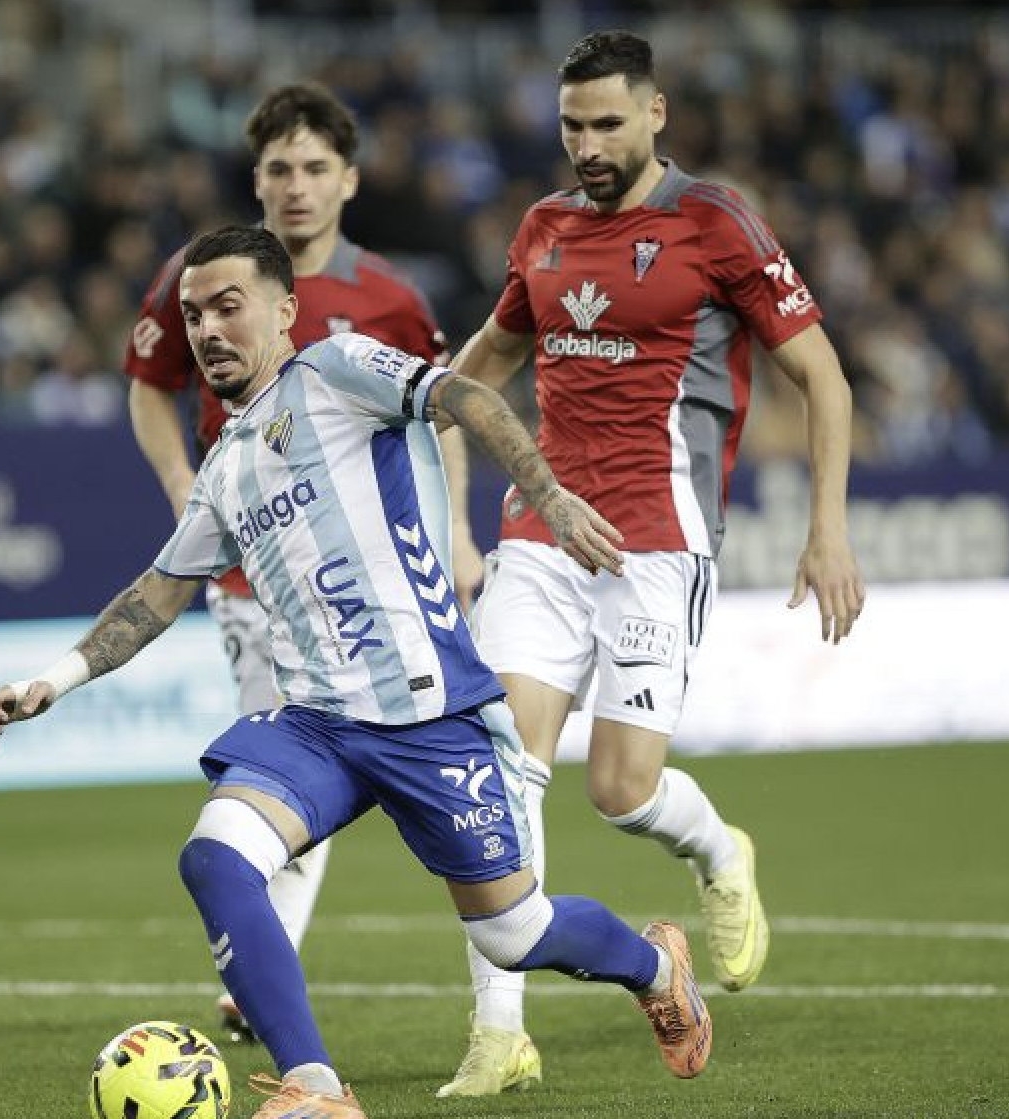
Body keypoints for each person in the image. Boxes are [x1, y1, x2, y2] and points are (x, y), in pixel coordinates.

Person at [0, 226, 711, 1119]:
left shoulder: (338, 369)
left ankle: (653, 964)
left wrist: (548, 495)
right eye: (193, 313)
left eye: (227, 305)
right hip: (318, 723)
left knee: (516, 932)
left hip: (430, 714)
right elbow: (155, 596)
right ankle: (316, 1089)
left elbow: (467, 394)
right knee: (215, 856)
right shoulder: (224, 469)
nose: (207, 328)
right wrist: (49, 680)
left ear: (285, 309)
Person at [435, 30, 867, 1097]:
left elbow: (823, 377)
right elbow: (472, 374)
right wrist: (447, 486)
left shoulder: (712, 224)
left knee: (619, 792)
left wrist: (827, 527)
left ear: (655, 113)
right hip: (540, 538)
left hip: (656, 543)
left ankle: (720, 856)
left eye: (606, 123)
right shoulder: (538, 232)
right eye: (570, 125)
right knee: (496, 779)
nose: (585, 143)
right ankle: (499, 1034)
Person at [123, 81, 479, 1043]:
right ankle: (269, 968)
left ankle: (263, 972)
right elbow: (148, 386)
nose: (295, 184)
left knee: (291, 749)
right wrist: (179, 490)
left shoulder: (389, 299)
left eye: (314, 167)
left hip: (367, 580)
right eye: (278, 168)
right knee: (285, 744)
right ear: (256, 178)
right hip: (248, 569)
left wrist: (458, 533)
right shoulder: (203, 278)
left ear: (348, 180)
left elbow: (440, 410)